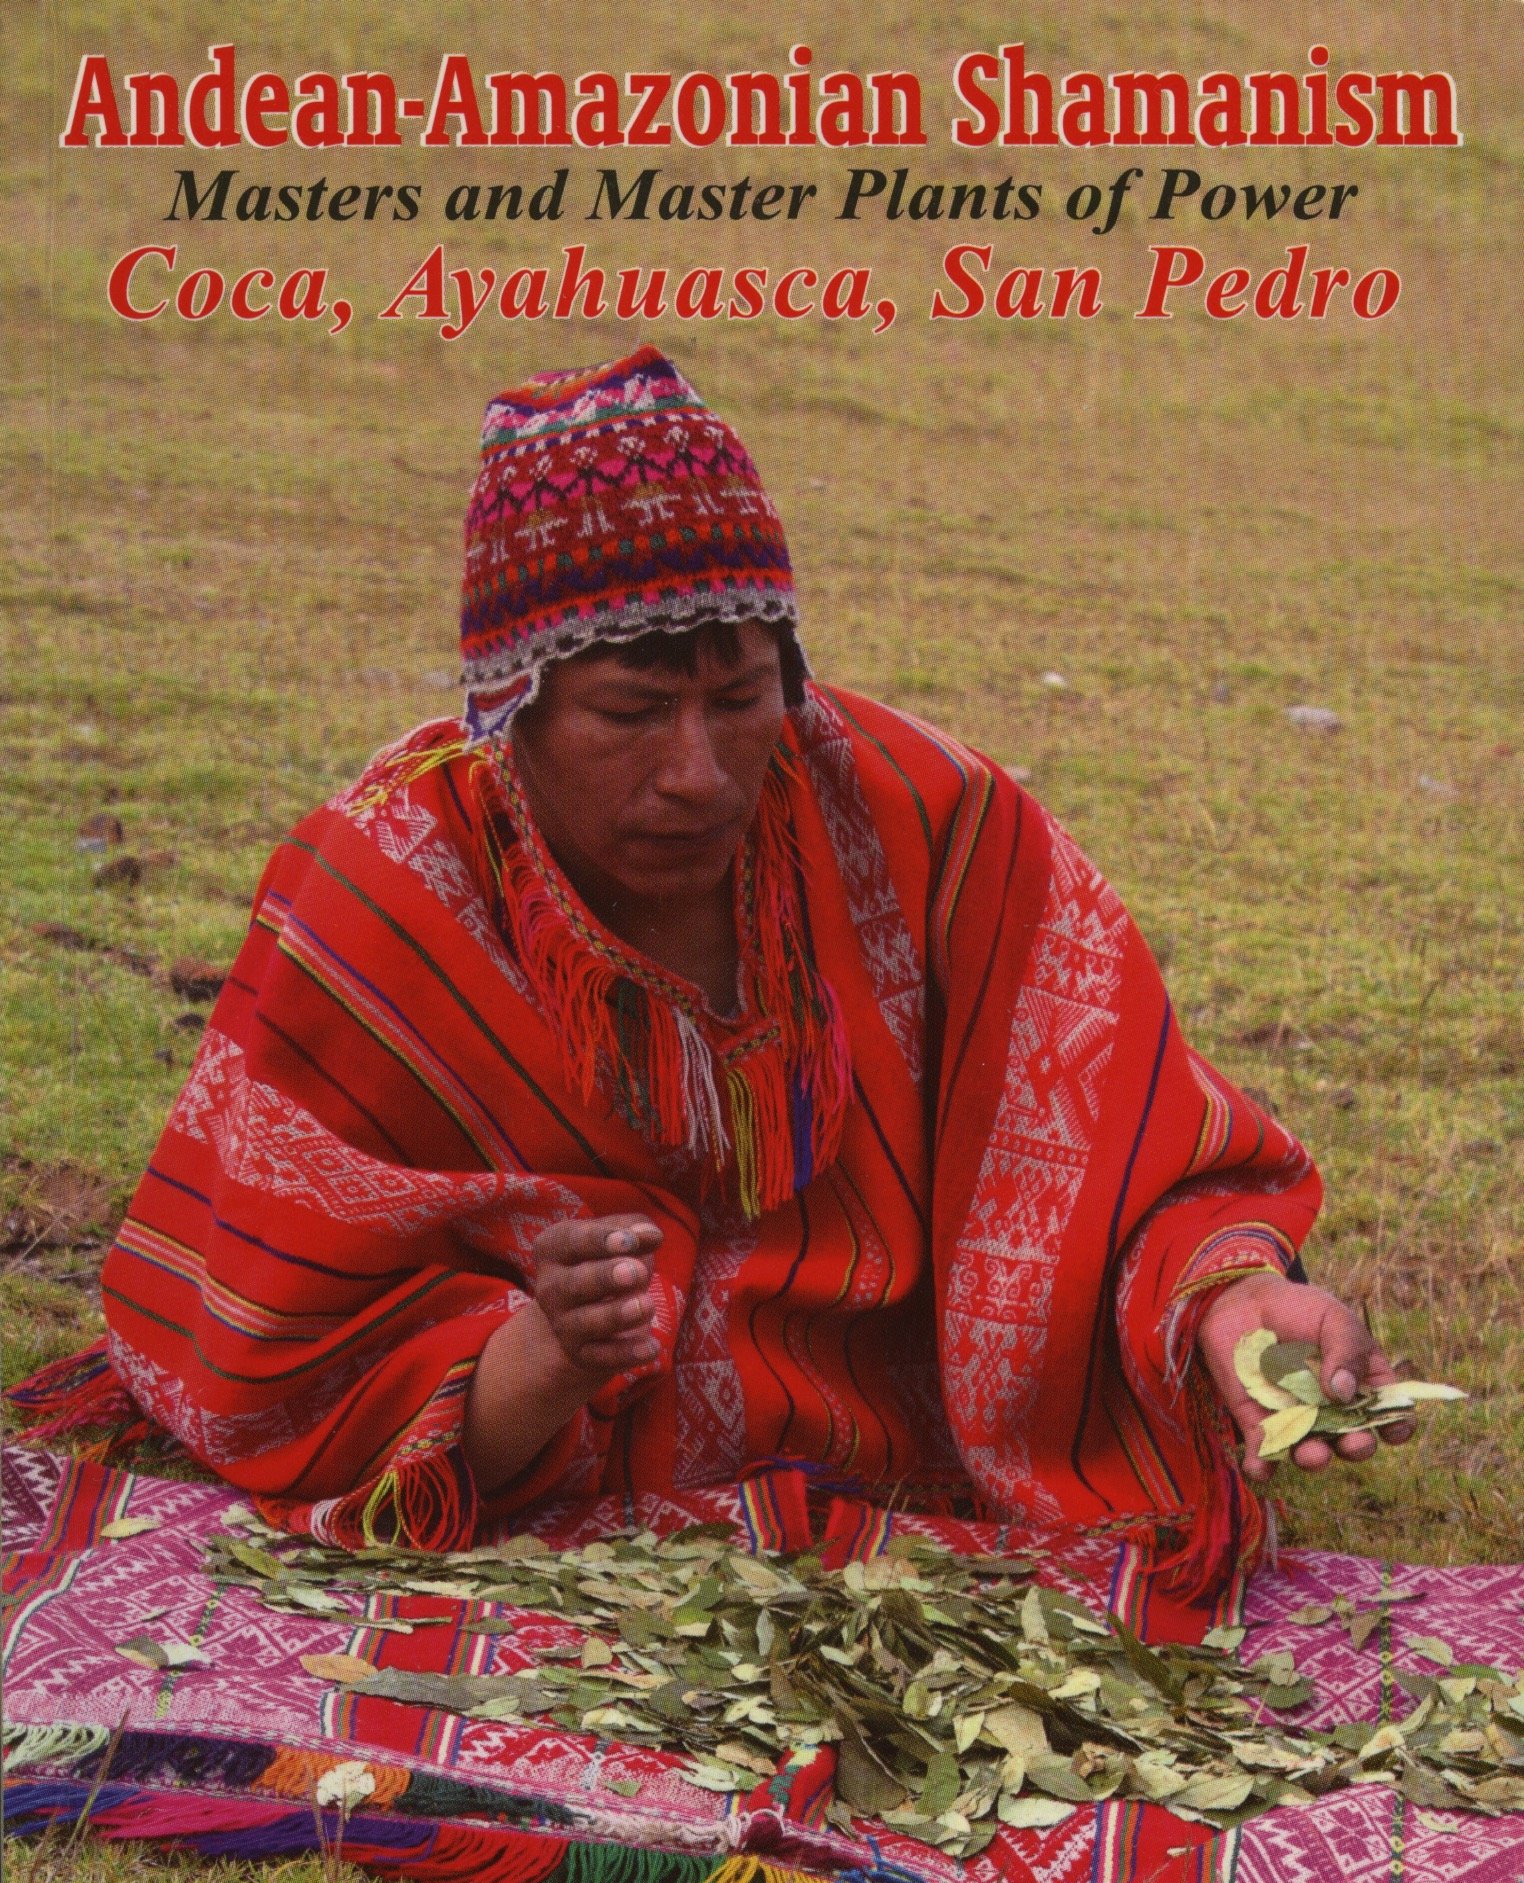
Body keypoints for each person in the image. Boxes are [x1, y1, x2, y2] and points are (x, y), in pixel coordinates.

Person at [16, 347, 1410, 1597]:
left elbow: (1121, 1144)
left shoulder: (917, 816)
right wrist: (543, 1356)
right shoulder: (382, 893)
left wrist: (1231, 1301)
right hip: (555, 1490)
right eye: (630, 712)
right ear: (508, 710)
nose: (698, 771)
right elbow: (270, 1331)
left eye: (741, 699)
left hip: (897, 1472)